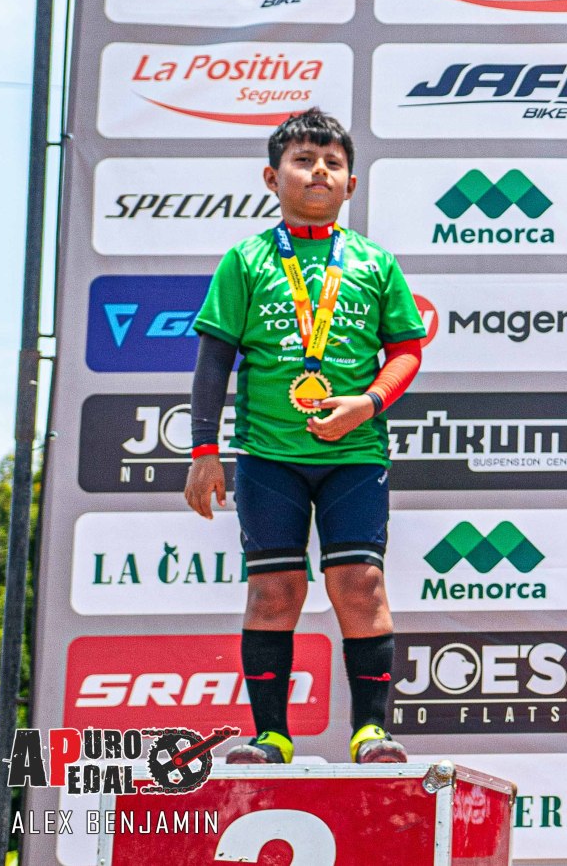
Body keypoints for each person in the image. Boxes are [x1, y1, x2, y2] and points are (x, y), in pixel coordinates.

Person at [184, 108, 426, 764]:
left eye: (332, 162)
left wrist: (366, 403)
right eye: (302, 160)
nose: (319, 170)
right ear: (272, 177)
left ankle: (371, 733)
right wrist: (204, 451)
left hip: (355, 454)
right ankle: (271, 735)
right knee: (274, 591)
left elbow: (406, 350)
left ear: (351, 184)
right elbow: (213, 361)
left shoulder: (375, 261)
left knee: (360, 585)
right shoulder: (246, 260)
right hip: (269, 457)